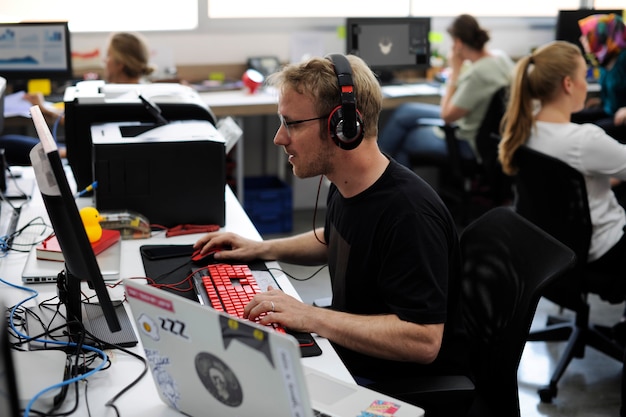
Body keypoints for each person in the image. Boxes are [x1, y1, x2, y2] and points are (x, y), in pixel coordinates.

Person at [193, 53, 471, 407]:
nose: (280, 138)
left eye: (290, 123)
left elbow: (423, 341)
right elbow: (334, 238)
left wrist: (311, 316)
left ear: (343, 126)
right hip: (350, 356)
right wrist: (260, 248)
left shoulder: (409, 215)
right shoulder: (350, 184)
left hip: (394, 387)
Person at [498, 40, 626, 310]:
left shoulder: (524, 130)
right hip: (603, 252)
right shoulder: (585, 140)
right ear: (568, 84)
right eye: (583, 76)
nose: (586, 82)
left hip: (550, 250)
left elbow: (573, 185)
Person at [378, 14, 514, 167]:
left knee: (405, 138)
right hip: (487, 133)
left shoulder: (478, 74)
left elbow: (447, 116)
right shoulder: (500, 58)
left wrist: (455, 71)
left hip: (467, 141)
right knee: (405, 111)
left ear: (458, 43)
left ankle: (380, 174)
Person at [26, 31, 155, 124]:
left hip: (82, 155)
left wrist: (43, 109)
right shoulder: (144, 92)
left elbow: (78, 124)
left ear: (120, 63)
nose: (104, 60)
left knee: (11, 142)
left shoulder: (122, 99)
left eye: (108, 55)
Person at [571, 13, 626, 142]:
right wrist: (601, 101)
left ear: (601, 36)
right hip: (610, 111)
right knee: (572, 116)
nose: (581, 39)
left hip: (622, 118)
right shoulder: (604, 59)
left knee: (593, 132)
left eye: (587, 35)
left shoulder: (624, 58)